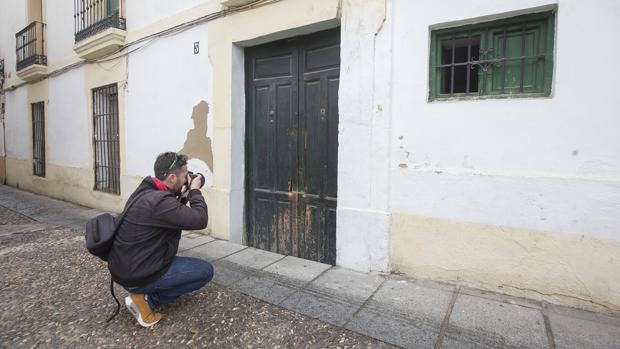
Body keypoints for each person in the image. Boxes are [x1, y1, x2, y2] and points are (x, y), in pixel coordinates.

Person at [107, 152, 213, 327]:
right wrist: (194, 189)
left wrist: (185, 189)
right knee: (204, 271)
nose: (188, 178)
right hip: (137, 274)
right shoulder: (159, 202)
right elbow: (199, 219)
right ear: (172, 178)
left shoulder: (147, 189)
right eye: (185, 175)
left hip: (128, 266)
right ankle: (148, 300)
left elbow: (173, 210)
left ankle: (145, 293)